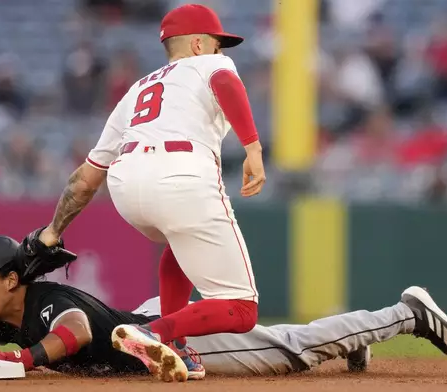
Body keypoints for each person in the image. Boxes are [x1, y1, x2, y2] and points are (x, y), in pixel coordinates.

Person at [21, 3, 267, 381]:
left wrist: (52, 232)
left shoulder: (137, 90)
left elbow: (85, 179)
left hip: (127, 185)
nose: (222, 53)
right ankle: (154, 332)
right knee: (242, 309)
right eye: (219, 45)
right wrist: (253, 146)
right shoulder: (209, 65)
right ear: (199, 45)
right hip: (181, 176)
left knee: (178, 243)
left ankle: (175, 344)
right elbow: (226, 83)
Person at [0, 235, 447, 379]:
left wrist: (25, 360)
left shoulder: (42, 304)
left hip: (163, 344)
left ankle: (406, 309)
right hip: (136, 325)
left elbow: (78, 329)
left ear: (10, 278)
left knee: (291, 350)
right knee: (287, 341)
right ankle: (354, 339)